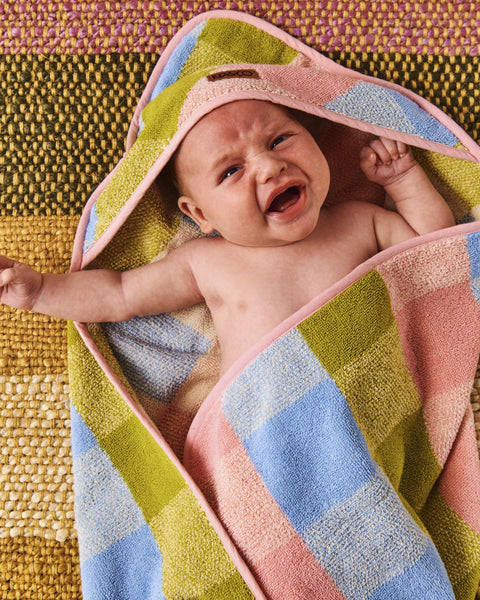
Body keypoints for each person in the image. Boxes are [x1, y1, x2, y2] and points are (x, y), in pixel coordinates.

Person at [0, 100, 455, 374]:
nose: (268, 166)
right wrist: (41, 291)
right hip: (267, 417)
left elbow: (441, 255)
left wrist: (403, 180)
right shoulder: (207, 261)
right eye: (232, 170)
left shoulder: (360, 221)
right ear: (200, 214)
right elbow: (120, 294)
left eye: (279, 140)